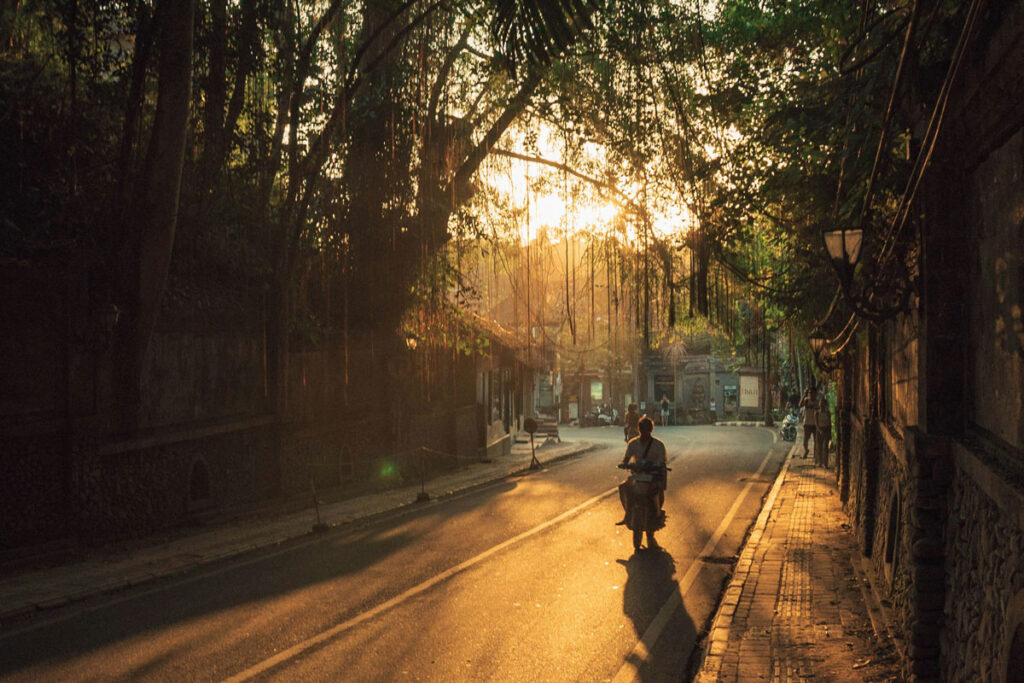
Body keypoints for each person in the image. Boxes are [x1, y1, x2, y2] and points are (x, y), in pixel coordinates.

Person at [616, 417, 667, 551]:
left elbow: (662, 462)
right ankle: (627, 512)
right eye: (642, 430)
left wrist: (656, 467)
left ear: (650, 430)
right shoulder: (633, 444)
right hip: (638, 476)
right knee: (623, 487)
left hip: (653, 477)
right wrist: (624, 463)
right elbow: (626, 459)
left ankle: (657, 513)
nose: (644, 433)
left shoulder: (658, 445)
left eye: (647, 430)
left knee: (657, 491)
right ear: (639, 430)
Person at [799, 386, 821, 459]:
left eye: (812, 393)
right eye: (809, 393)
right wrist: (804, 395)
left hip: (815, 424)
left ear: (815, 393)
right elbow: (800, 405)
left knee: (816, 441)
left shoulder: (818, 402)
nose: (811, 394)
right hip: (807, 423)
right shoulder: (806, 400)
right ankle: (806, 450)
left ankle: (815, 455)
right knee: (805, 441)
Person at [816, 397, 832, 467]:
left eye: (823, 403)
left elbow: (829, 423)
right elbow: (816, 424)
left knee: (825, 447)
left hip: (826, 430)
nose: (822, 405)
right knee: (819, 447)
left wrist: (829, 432)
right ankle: (820, 462)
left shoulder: (827, 413)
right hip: (819, 430)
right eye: (820, 403)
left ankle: (825, 463)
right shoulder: (816, 413)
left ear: (825, 404)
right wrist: (819, 430)